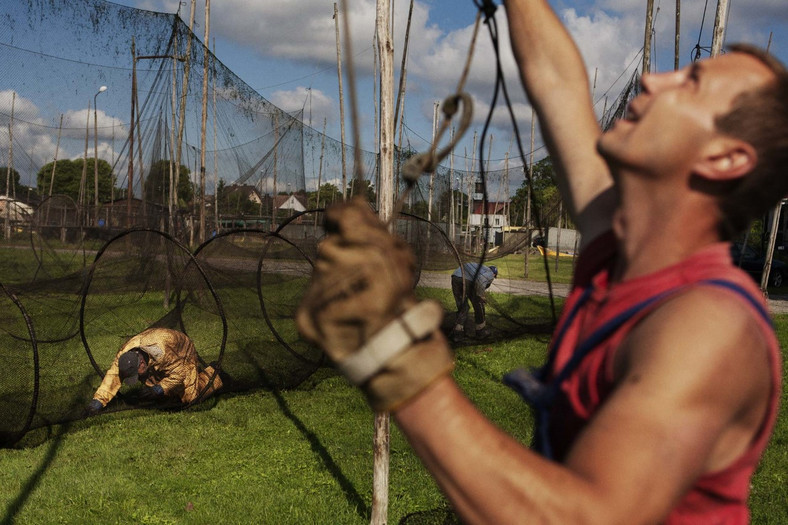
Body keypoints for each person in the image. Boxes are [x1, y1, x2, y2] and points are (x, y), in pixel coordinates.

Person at [296, 0, 787, 522]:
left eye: (689, 83)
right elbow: (557, 83)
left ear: (726, 158)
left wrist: (394, 351)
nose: (651, 82)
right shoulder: (616, 247)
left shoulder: (711, 325)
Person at [86, 327, 223, 414]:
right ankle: (170, 388)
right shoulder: (125, 354)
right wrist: (98, 402)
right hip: (159, 357)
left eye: (135, 374)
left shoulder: (162, 353)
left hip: (182, 353)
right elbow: (113, 376)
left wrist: (160, 388)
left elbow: (178, 374)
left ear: (141, 363)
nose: (136, 379)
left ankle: (214, 373)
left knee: (190, 397)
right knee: (160, 391)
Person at [451, 262, 497, 339]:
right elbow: (481, 280)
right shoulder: (490, 273)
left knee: (463, 307)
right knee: (479, 305)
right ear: (494, 274)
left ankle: (458, 332)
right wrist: (481, 295)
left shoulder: (481, 268)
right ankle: (481, 330)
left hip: (455, 277)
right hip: (467, 279)